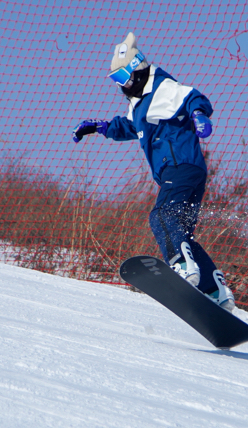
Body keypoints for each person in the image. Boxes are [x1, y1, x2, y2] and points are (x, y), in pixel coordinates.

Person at [72, 32, 235, 312]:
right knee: (180, 230)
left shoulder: (162, 87)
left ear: (136, 70)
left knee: (162, 216)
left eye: (123, 78)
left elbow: (194, 97)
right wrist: (99, 127)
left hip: (179, 166)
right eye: (115, 81)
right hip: (188, 172)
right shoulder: (139, 102)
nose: (121, 86)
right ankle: (215, 290)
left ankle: (182, 266)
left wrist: (198, 115)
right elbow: (130, 126)